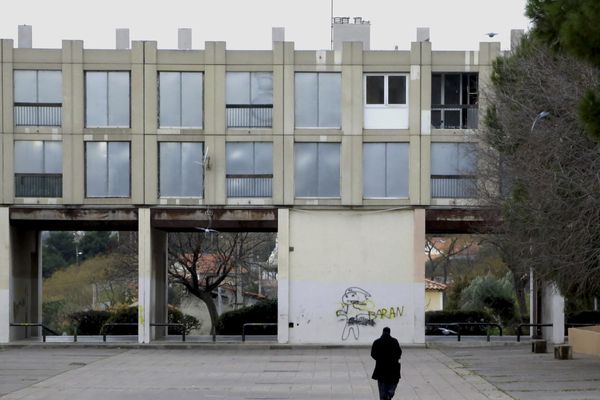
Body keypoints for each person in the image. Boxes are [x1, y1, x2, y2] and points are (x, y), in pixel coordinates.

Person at [371, 327, 402, 400]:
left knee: (382, 387)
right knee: (393, 383)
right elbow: (399, 352)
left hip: (381, 368)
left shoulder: (377, 342)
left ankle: (384, 397)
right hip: (393, 368)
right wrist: (395, 359)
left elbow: (373, 354)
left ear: (382, 332)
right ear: (389, 332)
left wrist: (379, 359)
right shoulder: (394, 341)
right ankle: (390, 393)